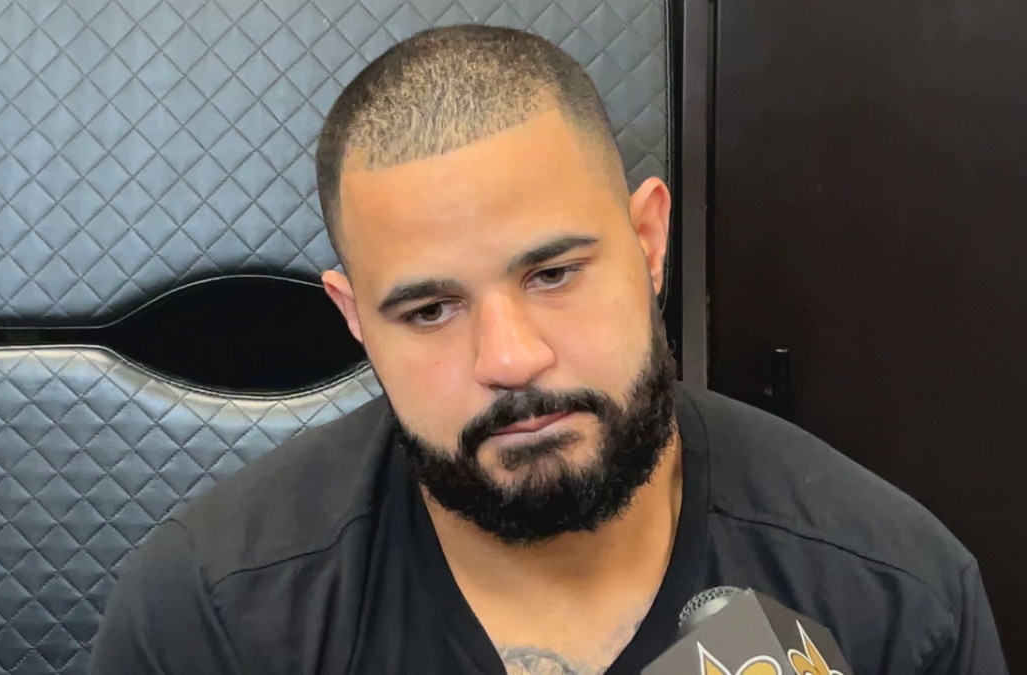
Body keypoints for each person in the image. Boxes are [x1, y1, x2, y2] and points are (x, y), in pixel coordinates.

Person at [90, 25, 1006, 674]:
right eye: (430, 310)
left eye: (555, 273)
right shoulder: (217, 615)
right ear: (357, 319)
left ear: (648, 242)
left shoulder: (890, 594)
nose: (511, 357)